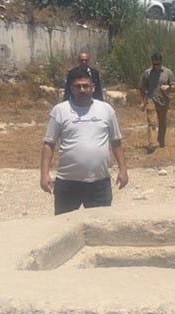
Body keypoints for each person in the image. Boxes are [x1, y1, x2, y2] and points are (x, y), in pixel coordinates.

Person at [41, 72, 128, 215]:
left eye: (85, 86)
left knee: (101, 227)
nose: (82, 90)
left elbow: (116, 141)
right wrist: (44, 175)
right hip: (68, 182)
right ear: (71, 88)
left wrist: (123, 170)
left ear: (93, 88)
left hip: (99, 183)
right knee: (64, 227)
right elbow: (49, 144)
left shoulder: (106, 110)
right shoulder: (60, 111)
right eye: (78, 86)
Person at [139, 52, 175, 149]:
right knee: (152, 122)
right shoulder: (147, 73)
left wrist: (168, 87)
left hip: (164, 100)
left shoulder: (168, 72)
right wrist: (143, 101)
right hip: (151, 99)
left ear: (161, 62)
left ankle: (161, 141)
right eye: (155, 64)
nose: (157, 66)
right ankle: (152, 143)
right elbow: (142, 87)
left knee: (162, 122)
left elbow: (174, 85)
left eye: (158, 64)